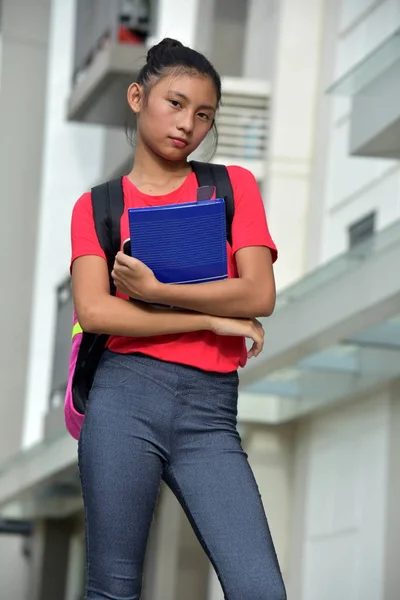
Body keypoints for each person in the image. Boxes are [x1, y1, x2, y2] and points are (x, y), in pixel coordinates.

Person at [71, 37, 286, 600]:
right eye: (176, 102)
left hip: (209, 414)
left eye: (204, 114)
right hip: (124, 399)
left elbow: (258, 292)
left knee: (259, 589)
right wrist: (210, 321)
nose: (188, 123)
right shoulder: (98, 206)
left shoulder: (231, 186)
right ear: (138, 96)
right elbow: (96, 311)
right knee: (113, 590)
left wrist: (158, 291)